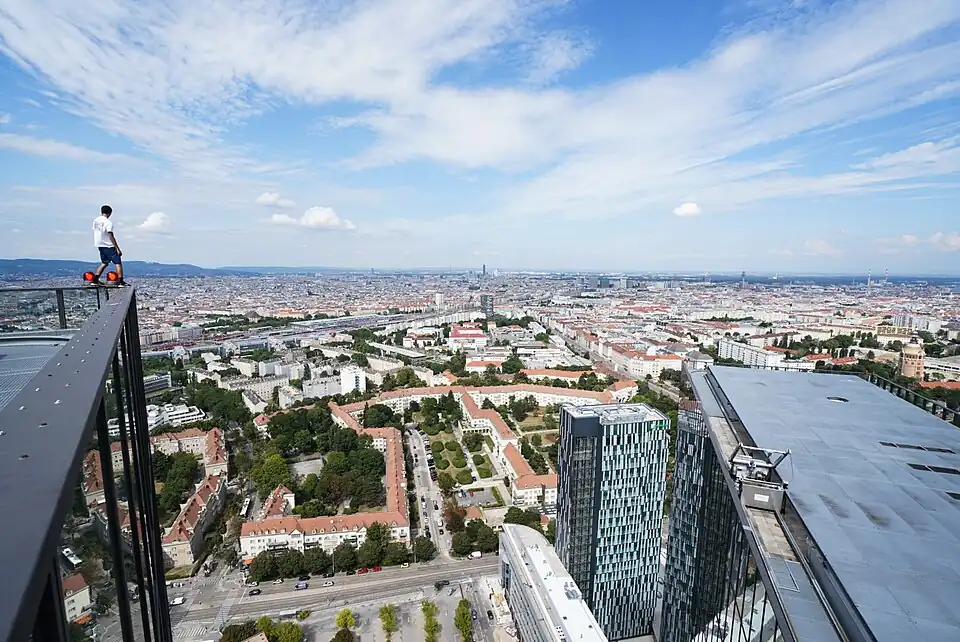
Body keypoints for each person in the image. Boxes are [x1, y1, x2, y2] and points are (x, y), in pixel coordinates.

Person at [91, 205, 128, 285]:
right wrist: (117, 248)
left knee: (104, 263)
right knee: (118, 263)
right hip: (108, 245)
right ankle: (120, 281)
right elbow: (110, 235)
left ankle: (95, 280)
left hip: (99, 245)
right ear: (110, 213)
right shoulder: (108, 222)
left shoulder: (95, 221)